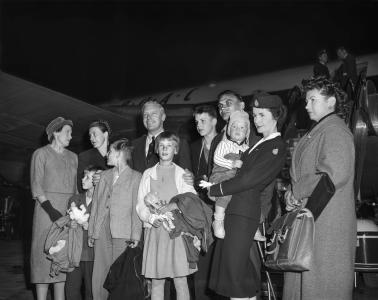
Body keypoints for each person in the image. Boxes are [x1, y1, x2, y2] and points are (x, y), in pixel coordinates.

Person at [205, 93, 287, 299]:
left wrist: (215, 189)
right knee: (241, 275)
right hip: (237, 211)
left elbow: (248, 180)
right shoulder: (259, 144)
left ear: (275, 116)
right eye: (255, 115)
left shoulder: (275, 146)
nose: (256, 120)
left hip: (243, 213)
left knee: (234, 276)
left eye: (261, 115)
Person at [284, 77, 356, 300]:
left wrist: (296, 191)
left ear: (331, 102)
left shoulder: (335, 131)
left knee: (322, 287)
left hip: (326, 224)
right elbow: (306, 175)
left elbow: (332, 173)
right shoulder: (318, 131)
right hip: (313, 220)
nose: (306, 106)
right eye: (306, 101)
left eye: (312, 100)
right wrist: (291, 194)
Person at [136, 131, 197, 300]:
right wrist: (150, 218)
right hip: (155, 233)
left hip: (176, 233)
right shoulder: (147, 174)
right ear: (156, 149)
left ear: (175, 150)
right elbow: (140, 203)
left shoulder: (182, 174)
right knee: (156, 281)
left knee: (180, 280)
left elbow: (192, 200)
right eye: (161, 146)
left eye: (169, 146)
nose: (164, 149)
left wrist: (173, 205)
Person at [88, 138, 142, 300]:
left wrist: (136, 235)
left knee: (119, 273)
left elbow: (136, 208)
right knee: (100, 272)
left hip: (123, 231)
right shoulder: (103, 176)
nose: (107, 155)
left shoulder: (136, 177)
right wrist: (92, 231)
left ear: (119, 154)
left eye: (110, 151)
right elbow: (96, 205)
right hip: (102, 229)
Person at [30, 117, 77, 300]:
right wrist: (52, 212)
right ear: (55, 133)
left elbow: (75, 189)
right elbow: (37, 186)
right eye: (67, 132)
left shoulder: (73, 157)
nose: (71, 137)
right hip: (45, 213)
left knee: (62, 258)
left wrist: (73, 213)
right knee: (43, 260)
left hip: (66, 215)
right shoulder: (40, 154)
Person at [190, 105, 221, 300]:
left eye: (203, 121)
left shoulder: (226, 142)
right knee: (202, 259)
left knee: (220, 261)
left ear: (214, 121)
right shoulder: (194, 147)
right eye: (196, 122)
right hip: (200, 210)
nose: (199, 125)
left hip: (222, 208)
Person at [208, 110, 250, 239]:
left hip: (235, 178)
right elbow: (217, 159)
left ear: (247, 132)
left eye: (242, 127)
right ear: (228, 130)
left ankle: (253, 225)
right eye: (234, 126)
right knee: (227, 191)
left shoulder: (247, 149)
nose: (237, 129)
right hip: (221, 175)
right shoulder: (224, 144)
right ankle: (218, 220)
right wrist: (232, 164)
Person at [65, 165, 103, 300]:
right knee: (71, 290)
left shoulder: (103, 201)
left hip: (94, 254)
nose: (82, 179)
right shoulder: (74, 199)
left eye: (87, 177)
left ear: (97, 181)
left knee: (91, 291)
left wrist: (91, 227)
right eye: (83, 176)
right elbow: (66, 222)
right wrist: (71, 223)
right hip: (75, 252)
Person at [131, 100, 192, 173]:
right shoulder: (133, 145)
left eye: (154, 114)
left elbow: (186, 177)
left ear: (163, 117)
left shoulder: (180, 143)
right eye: (145, 115)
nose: (148, 118)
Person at [77, 120, 111, 193]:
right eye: (90, 136)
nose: (91, 139)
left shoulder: (117, 153)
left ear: (105, 134)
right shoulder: (84, 156)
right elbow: (80, 186)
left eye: (94, 134)